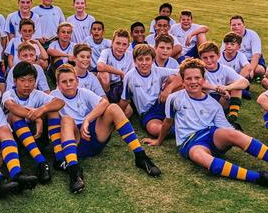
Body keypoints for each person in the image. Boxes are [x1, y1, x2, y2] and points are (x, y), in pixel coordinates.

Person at [145, 59, 268, 190]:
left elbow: (225, 128)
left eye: (197, 78)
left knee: (234, 134)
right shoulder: (175, 98)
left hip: (212, 134)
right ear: (182, 80)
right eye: (189, 78)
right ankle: (259, 177)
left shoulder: (214, 104)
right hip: (189, 142)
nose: (193, 81)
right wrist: (159, 140)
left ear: (203, 79)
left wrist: (236, 137)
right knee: (202, 158)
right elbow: (168, 121)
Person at [51, 65, 161, 193]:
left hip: (92, 135)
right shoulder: (54, 96)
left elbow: (104, 103)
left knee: (113, 108)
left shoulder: (83, 92)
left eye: (71, 80)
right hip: (73, 141)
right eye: (64, 82)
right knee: (66, 119)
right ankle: (74, 171)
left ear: (77, 80)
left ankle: (141, 156)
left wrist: (87, 119)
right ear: (58, 84)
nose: (69, 84)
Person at [2, 61, 66, 183]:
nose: (27, 84)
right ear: (15, 81)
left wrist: (42, 110)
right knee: (15, 115)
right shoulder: (9, 94)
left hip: (36, 134)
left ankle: (59, 158)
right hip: (15, 138)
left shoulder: (37, 94)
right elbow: (12, 107)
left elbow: (60, 102)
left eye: (31, 80)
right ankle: (41, 162)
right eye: (23, 80)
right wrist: (36, 118)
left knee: (52, 111)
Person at [120, 44, 177, 139]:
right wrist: (117, 118)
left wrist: (169, 88)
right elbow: (125, 99)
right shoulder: (130, 76)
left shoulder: (158, 71)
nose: (144, 63)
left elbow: (182, 73)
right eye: (140, 59)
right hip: (148, 112)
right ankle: (180, 129)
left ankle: (184, 119)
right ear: (134, 61)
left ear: (153, 60)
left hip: (161, 102)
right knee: (154, 129)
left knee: (174, 78)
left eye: (147, 59)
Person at [198, 41, 249, 131]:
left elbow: (245, 82)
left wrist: (226, 88)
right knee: (201, 89)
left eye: (212, 57)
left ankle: (232, 116)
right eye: (205, 58)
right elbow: (200, 83)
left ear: (218, 56)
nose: (209, 60)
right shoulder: (199, 69)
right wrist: (217, 88)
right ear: (200, 58)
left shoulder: (225, 69)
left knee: (236, 86)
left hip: (221, 100)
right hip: (205, 101)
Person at [97, 28, 133, 104]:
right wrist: (120, 73)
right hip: (106, 86)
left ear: (128, 45)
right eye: (118, 43)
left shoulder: (130, 55)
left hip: (119, 85)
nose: (120, 47)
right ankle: (105, 100)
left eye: (124, 44)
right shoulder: (106, 52)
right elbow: (100, 66)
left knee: (128, 112)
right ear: (112, 42)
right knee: (104, 75)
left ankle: (116, 107)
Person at [227, 15, 265, 80]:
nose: (236, 26)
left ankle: (240, 77)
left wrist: (251, 70)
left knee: (260, 70)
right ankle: (240, 78)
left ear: (244, 25)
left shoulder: (253, 35)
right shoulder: (228, 37)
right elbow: (223, 53)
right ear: (230, 26)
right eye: (234, 25)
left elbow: (256, 55)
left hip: (250, 60)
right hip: (236, 60)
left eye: (239, 24)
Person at [219, 32, 253, 99]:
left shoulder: (240, 55)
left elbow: (248, 67)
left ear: (238, 47)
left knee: (247, 69)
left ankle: (238, 88)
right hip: (222, 80)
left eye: (232, 44)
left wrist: (237, 80)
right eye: (227, 44)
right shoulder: (219, 55)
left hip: (235, 80)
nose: (229, 46)